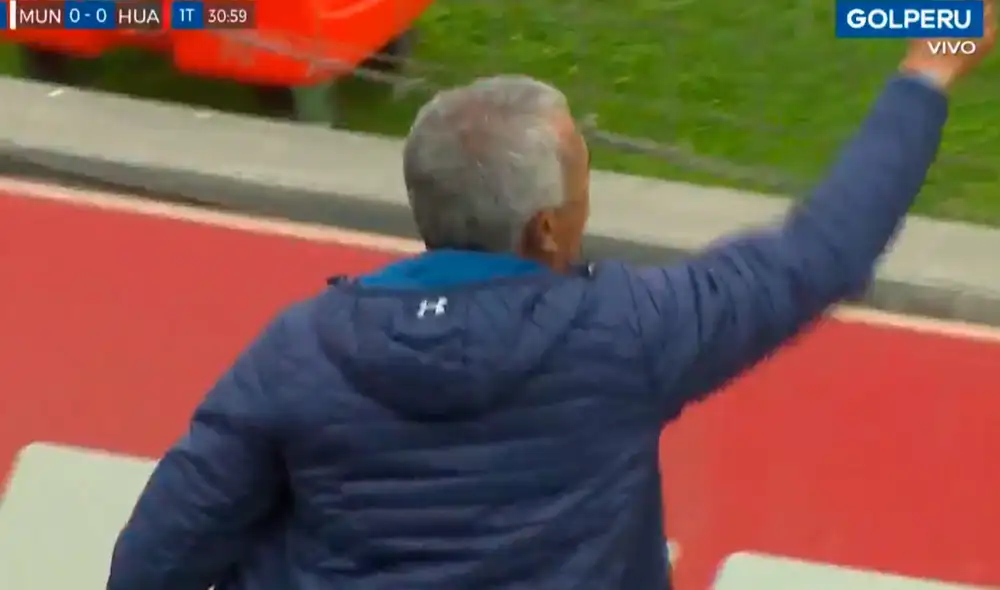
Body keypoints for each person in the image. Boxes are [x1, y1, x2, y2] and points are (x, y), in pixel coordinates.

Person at [107, 14, 996, 590]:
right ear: (544, 229)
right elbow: (822, 251)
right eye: (581, 177)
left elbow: (151, 567)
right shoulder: (628, 335)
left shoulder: (296, 353)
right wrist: (930, 66)